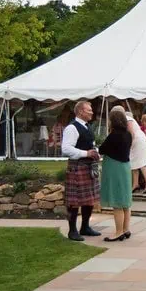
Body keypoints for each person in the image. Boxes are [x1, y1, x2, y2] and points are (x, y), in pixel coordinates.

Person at [61, 100, 102, 242]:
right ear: (80, 112)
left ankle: (85, 227)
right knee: (74, 201)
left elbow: (91, 144)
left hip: (89, 167)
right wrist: (86, 153)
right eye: (89, 110)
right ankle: (72, 231)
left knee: (89, 200)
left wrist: (95, 151)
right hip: (77, 167)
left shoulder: (87, 126)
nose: (91, 112)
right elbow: (66, 149)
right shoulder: (71, 128)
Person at [99, 106, 133, 242]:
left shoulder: (114, 135)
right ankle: (125, 229)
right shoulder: (128, 134)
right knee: (125, 201)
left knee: (117, 201)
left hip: (115, 168)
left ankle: (118, 231)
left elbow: (102, 149)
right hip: (125, 167)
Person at [127, 112, 146, 193]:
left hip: (138, 142)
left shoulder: (128, 119)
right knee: (134, 164)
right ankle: (135, 184)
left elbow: (131, 134)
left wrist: (129, 145)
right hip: (136, 142)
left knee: (142, 163)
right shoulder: (127, 119)